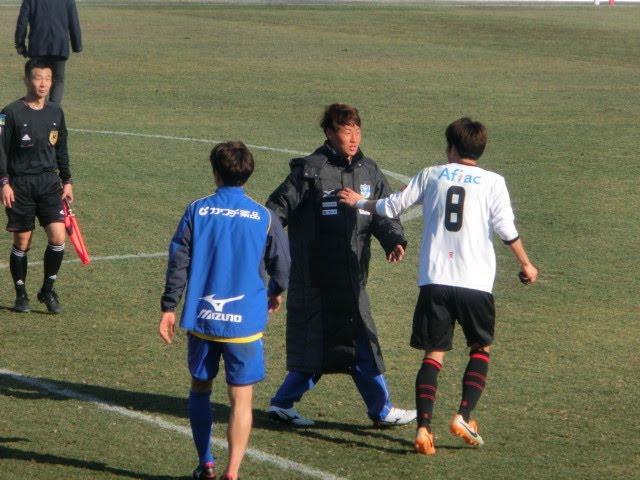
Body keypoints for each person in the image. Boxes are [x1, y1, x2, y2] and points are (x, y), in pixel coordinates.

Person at [339, 117, 539, 455]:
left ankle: (423, 429)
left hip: (435, 281)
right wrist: (526, 264)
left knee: (434, 355)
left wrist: (360, 201)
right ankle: (464, 415)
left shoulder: (432, 174)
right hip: (475, 283)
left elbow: (391, 206)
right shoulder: (493, 181)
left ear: (452, 148)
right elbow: (506, 228)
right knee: (480, 349)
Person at [266, 103, 416, 428]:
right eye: (347, 131)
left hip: (352, 278)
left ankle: (286, 403)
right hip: (316, 279)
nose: (353, 138)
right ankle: (378, 409)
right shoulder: (310, 170)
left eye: (357, 130)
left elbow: (383, 211)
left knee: (359, 341)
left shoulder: (369, 171)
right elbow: (277, 210)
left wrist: (394, 240)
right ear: (329, 133)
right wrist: (265, 245)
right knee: (321, 345)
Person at [158, 141, 290, 480]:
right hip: (244, 323)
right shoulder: (264, 216)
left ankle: (206, 463)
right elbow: (283, 265)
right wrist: (275, 292)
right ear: (248, 174)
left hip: (203, 319)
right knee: (241, 400)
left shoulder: (197, 210)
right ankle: (232, 472)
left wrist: (169, 306)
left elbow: (178, 260)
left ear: (215, 171)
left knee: (200, 387)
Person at [0, 58, 74, 314]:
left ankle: (47, 290)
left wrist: (67, 180)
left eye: (48, 78)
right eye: (38, 78)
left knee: (58, 237)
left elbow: (61, 148)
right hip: (20, 184)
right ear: (26, 80)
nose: (43, 83)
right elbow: (1, 151)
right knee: (22, 241)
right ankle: (21, 295)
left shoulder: (56, 112)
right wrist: (4, 182)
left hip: (49, 183)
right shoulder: (10, 112)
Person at [14, 0, 83, 104]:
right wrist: (77, 45)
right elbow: (74, 22)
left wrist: (20, 44)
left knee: (38, 79)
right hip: (59, 46)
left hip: (38, 46)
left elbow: (22, 22)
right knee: (57, 81)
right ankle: (53, 110)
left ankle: (40, 109)